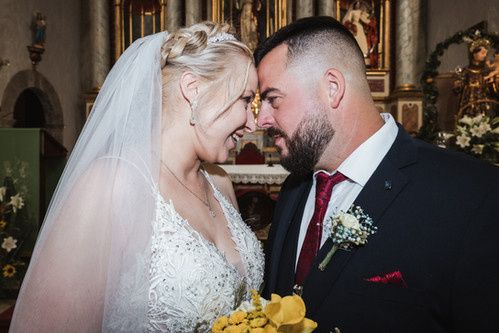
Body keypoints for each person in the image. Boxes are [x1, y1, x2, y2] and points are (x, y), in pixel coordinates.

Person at [10, 21, 264, 332]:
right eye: (244, 100)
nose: (252, 123)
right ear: (193, 89)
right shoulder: (111, 185)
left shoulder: (220, 183)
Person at [255, 16, 499, 332]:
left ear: (332, 89)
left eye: (273, 99)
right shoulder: (293, 190)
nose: (260, 120)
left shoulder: (472, 196)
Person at [454, 38, 497, 118]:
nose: (485, 55)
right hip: (469, 103)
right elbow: (458, 89)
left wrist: (492, 83)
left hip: (484, 103)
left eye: (486, 53)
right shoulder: (466, 71)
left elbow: (492, 91)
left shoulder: (487, 71)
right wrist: (458, 85)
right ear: (474, 54)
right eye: (482, 53)